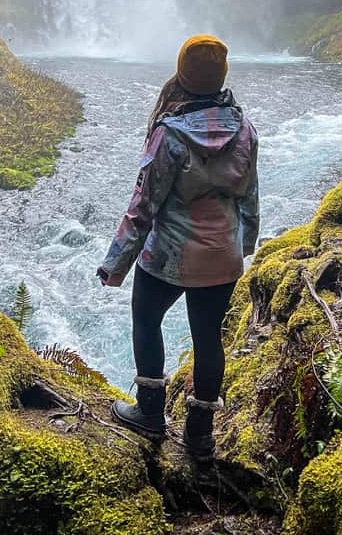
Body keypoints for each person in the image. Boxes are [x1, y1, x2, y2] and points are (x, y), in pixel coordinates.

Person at [97, 34, 260, 460]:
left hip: (169, 256)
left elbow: (142, 208)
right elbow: (250, 198)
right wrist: (245, 246)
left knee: (146, 319)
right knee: (209, 338)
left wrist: (115, 265)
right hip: (222, 256)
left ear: (182, 76)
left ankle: (150, 412)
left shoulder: (169, 134)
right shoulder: (245, 130)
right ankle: (200, 435)